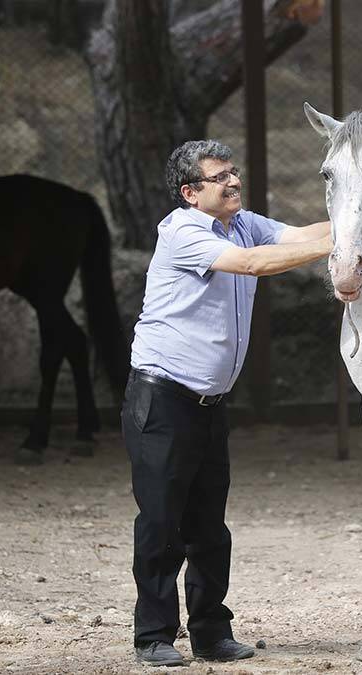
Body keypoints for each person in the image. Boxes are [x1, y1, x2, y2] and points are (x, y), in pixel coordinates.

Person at [123, 139, 331, 666]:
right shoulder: (183, 232)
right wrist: (338, 244)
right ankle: (153, 637)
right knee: (161, 523)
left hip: (209, 403)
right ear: (190, 193)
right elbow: (255, 264)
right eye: (220, 178)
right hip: (163, 397)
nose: (234, 181)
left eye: (233, 172)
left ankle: (211, 634)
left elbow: (302, 235)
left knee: (209, 528)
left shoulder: (242, 223)